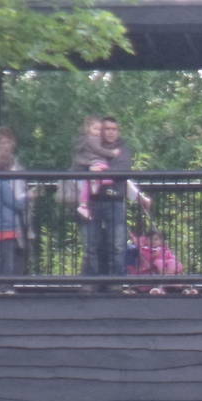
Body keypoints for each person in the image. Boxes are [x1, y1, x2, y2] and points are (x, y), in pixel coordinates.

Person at [77, 116, 150, 284]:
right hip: (94, 200)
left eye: (113, 129)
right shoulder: (93, 146)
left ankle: (116, 282)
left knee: (117, 245)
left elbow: (122, 170)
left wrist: (99, 171)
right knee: (92, 244)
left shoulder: (123, 149)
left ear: (118, 131)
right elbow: (80, 166)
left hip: (115, 200)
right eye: (107, 129)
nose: (110, 132)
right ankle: (91, 282)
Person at [0, 147, 27, 291]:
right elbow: (15, 204)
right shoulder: (3, 184)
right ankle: (4, 287)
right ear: (7, 167)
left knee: (1, 258)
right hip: (6, 226)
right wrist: (29, 197)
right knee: (7, 261)